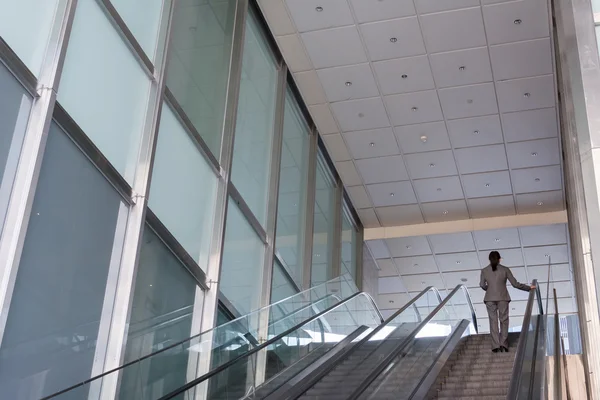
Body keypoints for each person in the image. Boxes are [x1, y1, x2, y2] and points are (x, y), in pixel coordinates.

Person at [479, 251, 535, 353]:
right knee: (504, 320)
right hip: (503, 298)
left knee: (493, 321)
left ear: (489, 259)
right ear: (499, 259)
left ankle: (495, 346)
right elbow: (515, 284)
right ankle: (503, 344)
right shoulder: (505, 269)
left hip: (489, 298)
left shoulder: (484, 270)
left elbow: (482, 285)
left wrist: (489, 289)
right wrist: (528, 288)